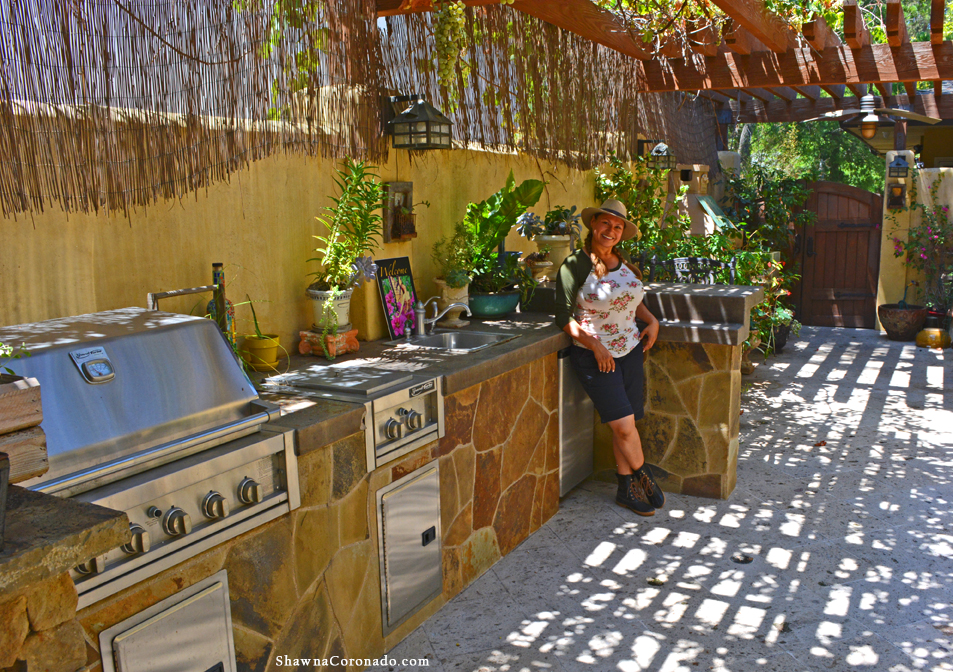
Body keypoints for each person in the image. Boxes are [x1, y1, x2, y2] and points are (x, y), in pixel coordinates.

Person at [554, 199, 663, 516]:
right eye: (605, 224)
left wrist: (653, 320)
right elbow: (562, 316)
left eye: (617, 227)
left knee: (625, 425)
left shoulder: (622, 262)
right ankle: (644, 475)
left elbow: (631, 301)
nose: (610, 231)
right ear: (594, 225)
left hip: (630, 351)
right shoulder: (574, 265)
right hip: (596, 357)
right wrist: (594, 345)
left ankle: (626, 489)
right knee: (626, 428)